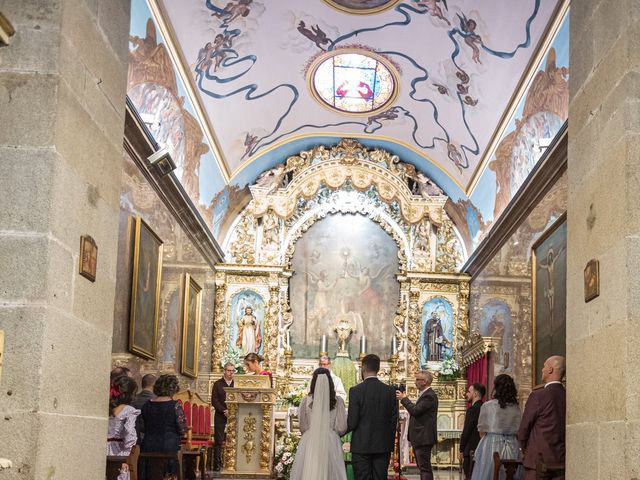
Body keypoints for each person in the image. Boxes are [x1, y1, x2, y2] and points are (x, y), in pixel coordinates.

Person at [347, 354, 398, 480]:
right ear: (378, 369)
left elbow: (352, 421)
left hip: (361, 444)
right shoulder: (390, 391)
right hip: (383, 444)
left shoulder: (356, 390)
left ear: (363, 368)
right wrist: (387, 440)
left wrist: (338, 432)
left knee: (362, 477)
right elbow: (394, 420)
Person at [291, 368, 348, 480]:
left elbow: (302, 427)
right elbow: (341, 427)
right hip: (331, 441)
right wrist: (332, 432)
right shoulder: (338, 401)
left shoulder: (305, 401)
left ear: (313, 382)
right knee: (330, 472)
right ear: (330, 383)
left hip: (310, 440)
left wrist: (311, 432)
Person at [517, 356, 566, 480]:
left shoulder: (538, 395)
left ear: (550, 370)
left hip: (537, 460)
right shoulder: (567, 395)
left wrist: (524, 449)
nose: (542, 370)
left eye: (544, 366)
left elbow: (524, 428)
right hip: (561, 460)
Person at [471, 374, 522, 480]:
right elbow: (518, 430)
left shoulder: (487, 405)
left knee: (488, 473)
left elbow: (481, 430)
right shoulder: (516, 407)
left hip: (492, 445)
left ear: (496, 388)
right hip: (512, 444)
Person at [139, 374, 187, 479]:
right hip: (168, 447)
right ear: (174, 389)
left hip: (148, 446)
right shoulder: (175, 405)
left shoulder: (147, 404)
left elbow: (142, 426)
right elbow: (182, 429)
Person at [396, 370, 438, 480]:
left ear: (424, 381)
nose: (415, 382)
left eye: (417, 379)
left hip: (423, 437)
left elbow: (415, 411)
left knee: (424, 467)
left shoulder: (429, 396)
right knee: (422, 467)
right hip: (420, 437)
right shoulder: (425, 395)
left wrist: (403, 399)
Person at [107, 376, 140, 480]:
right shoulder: (129, 410)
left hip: (104, 450)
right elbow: (129, 431)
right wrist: (129, 446)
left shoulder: (107, 408)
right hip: (119, 452)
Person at [211, 363, 235, 472]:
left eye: (233, 371)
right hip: (220, 415)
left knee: (234, 439)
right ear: (224, 371)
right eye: (229, 370)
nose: (231, 373)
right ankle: (217, 464)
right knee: (219, 440)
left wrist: (232, 411)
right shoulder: (217, 384)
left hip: (234, 415)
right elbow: (214, 400)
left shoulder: (236, 384)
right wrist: (224, 410)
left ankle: (232, 463)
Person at [460, 383, 486, 479]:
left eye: (469, 392)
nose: (467, 394)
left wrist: (461, 448)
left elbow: (467, 430)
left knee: (469, 475)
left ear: (475, 394)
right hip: (482, 446)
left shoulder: (472, 409)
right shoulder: (485, 407)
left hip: (471, 448)